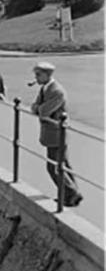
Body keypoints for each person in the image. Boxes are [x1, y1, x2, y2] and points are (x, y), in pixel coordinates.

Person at [30, 61, 82, 208]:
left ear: (47, 75)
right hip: (52, 133)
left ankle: (71, 194)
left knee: (53, 167)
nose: (36, 77)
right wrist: (37, 108)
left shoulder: (57, 91)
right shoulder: (45, 88)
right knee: (63, 164)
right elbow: (35, 106)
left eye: (38, 74)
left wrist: (37, 109)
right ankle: (71, 194)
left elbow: (42, 111)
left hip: (56, 134)